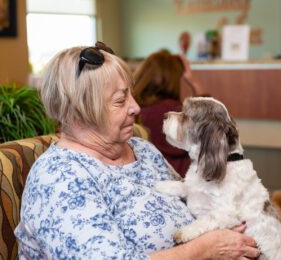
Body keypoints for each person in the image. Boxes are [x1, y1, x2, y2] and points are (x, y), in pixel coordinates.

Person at [14, 42, 260, 259]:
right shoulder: (59, 178)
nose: (135, 107)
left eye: (130, 94)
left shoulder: (141, 148)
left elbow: (197, 199)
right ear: (79, 112)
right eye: (120, 101)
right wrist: (206, 249)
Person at [133, 50, 204, 177]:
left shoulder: (135, 110)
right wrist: (194, 83)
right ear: (175, 79)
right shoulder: (175, 111)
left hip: (152, 178)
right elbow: (209, 127)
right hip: (184, 180)